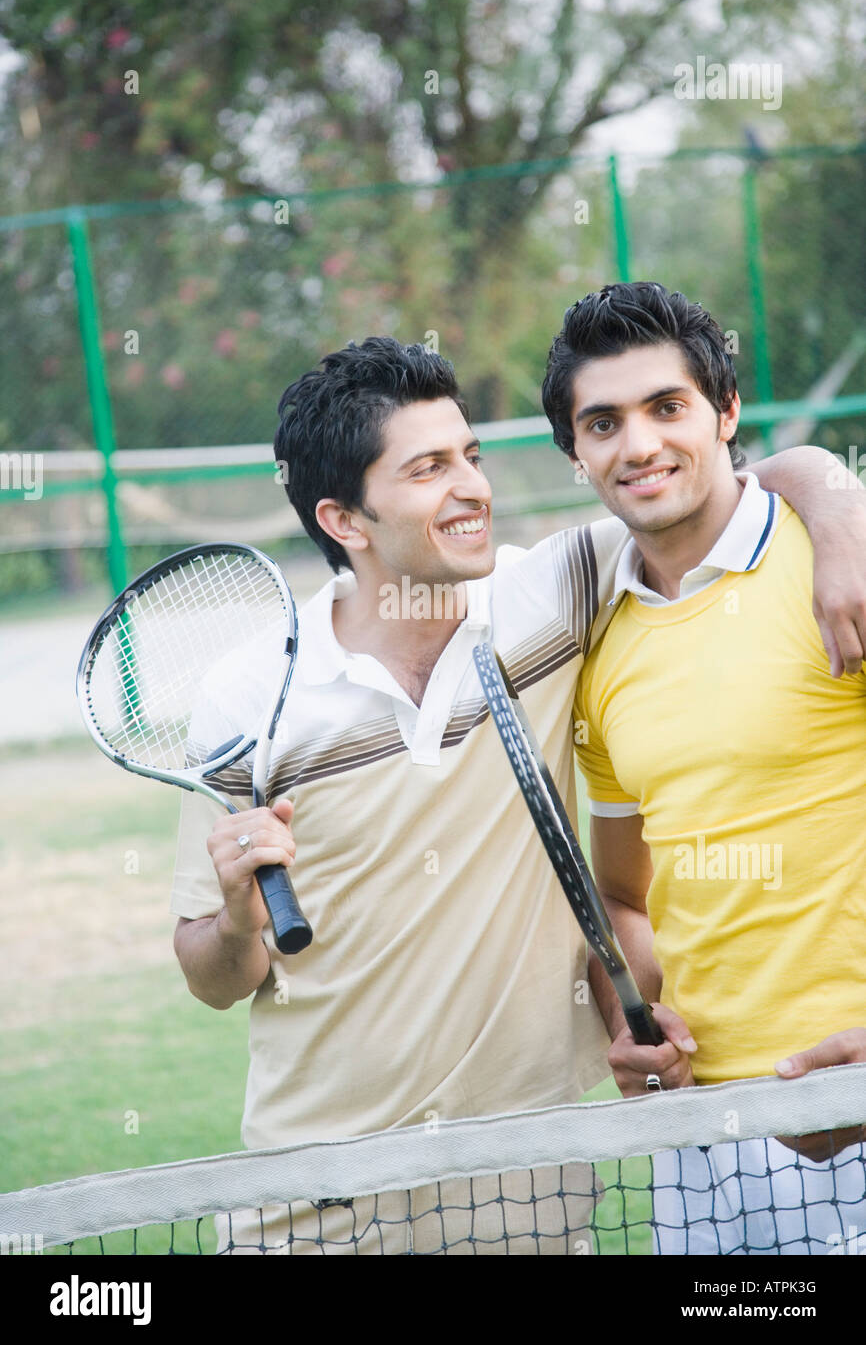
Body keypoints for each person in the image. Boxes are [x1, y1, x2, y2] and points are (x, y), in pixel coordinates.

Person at [171, 334, 866, 1255]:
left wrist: (836, 499)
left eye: (472, 456)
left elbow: (711, 477)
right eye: (428, 469)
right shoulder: (246, 700)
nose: (471, 488)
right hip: (315, 1184)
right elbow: (214, 979)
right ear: (345, 519)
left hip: (531, 1172)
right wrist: (231, 915)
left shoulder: (553, 591)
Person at [541, 281, 866, 1254]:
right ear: (574, 453)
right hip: (710, 1145)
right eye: (602, 422)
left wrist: (826, 491)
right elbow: (624, 897)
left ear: (724, 413)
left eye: (665, 407)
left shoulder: (838, 561)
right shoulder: (594, 647)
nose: (636, 445)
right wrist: (633, 1017)